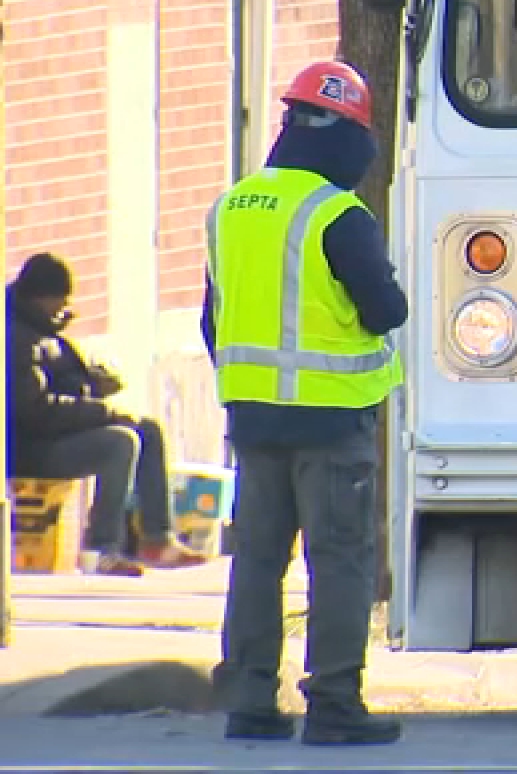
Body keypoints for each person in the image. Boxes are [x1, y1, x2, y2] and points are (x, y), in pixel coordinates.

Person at [204, 59, 408, 747]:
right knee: (340, 562)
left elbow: (215, 319)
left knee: (258, 561)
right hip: (331, 424)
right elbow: (385, 311)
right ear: (348, 137)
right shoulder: (338, 214)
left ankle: (251, 701)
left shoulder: (232, 207)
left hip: (252, 421)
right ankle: (334, 705)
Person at [5, 252, 211, 576]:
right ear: (40, 298)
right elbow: (35, 411)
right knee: (120, 442)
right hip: (30, 447)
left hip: (59, 430)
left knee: (148, 430)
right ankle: (102, 547)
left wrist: (94, 383)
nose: (62, 310)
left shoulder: (42, 329)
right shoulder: (18, 338)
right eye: (58, 302)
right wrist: (102, 412)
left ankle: (156, 538)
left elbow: (61, 384)